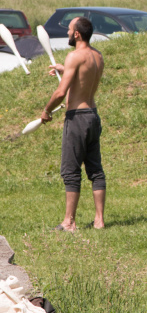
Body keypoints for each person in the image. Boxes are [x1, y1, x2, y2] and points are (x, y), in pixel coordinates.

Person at [40, 16, 106, 232]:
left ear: (77, 34)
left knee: (70, 171)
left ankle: (69, 222)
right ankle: (99, 221)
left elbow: (61, 92)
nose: (68, 33)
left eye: (69, 30)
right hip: (93, 115)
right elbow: (84, 77)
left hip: (77, 118)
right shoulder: (97, 56)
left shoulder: (74, 56)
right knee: (95, 170)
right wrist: (64, 68)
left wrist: (46, 110)